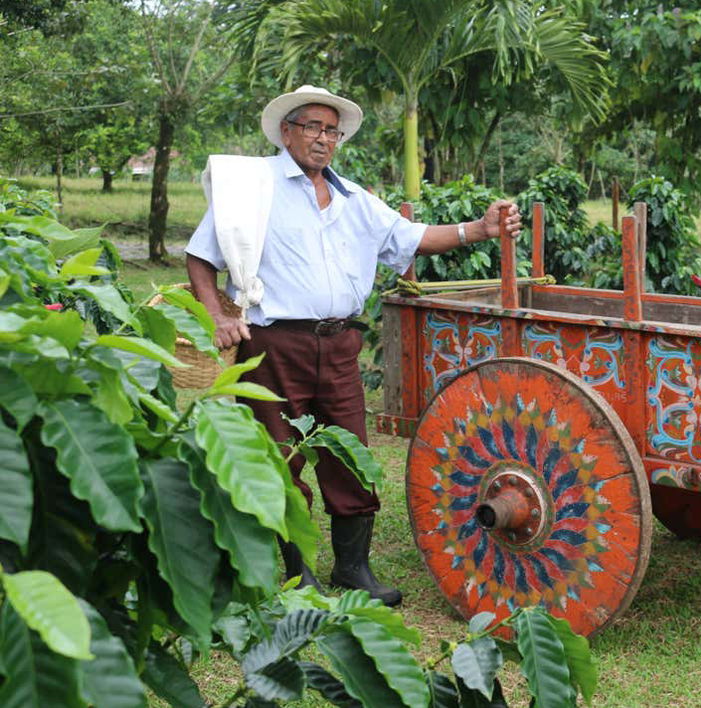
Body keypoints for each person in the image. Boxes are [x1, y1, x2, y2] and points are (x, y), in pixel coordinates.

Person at [185, 85, 521, 606]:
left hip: (340, 344)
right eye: (313, 127)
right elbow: (201, 257)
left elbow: (410, 238)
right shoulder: (254, 190)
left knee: (349, 451)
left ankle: (352, 568)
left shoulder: (353, 199)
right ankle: (299, 573)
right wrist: (213, 314)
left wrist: (479, 228)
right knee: (281, 456)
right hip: (275, 345)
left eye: (332, 130)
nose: (324, 139)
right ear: (287, 132)